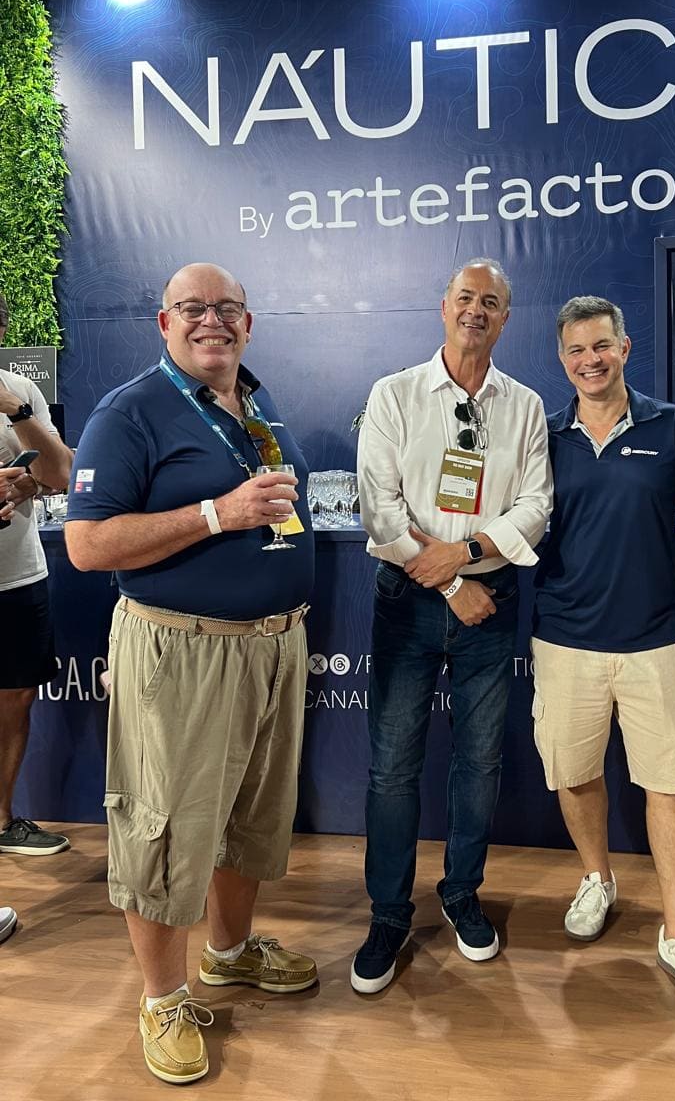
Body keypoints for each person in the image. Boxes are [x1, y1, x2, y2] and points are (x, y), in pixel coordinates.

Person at [65, 263, 317, 1085]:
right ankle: (162, 998)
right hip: (183, 650)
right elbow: (86, 545)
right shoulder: (129, 411)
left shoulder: (255, 401)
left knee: (247, 815)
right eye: (193, 308)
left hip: (273, 645)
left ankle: (230, 953)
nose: (213, 320)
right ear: (165, 324)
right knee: (165, 827)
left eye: (228, 308)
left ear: (249, 323)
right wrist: (218, 513)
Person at [352, 257, 551, 994]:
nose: (476, 310)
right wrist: (450, 582)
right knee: (392, 766)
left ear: (505, 318)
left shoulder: (525, 405)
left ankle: (462, 895)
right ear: (444, 307)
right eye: (465, 297)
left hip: (489, 606)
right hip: (409, 601)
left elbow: (536, 504)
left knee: (480, 763)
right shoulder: (395, 394)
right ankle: (388, 914)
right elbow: (379, 509)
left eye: (490, 302)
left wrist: (465, 561)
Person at [531, 295, 675, 1012]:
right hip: (563, 638)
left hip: (657, 640)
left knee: (672, 785)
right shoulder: (542, 434)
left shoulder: (672, 426)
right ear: (563, 359)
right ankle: (597, 878)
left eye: (602, 346)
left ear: (625, 348)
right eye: (577, 350)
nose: (590, 360)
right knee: (574, 772)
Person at [0, 291, 74, 856]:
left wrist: (16, 412)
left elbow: (61, 474)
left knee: (16, 696)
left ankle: (2, 822)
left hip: (19, 573)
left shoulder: (20, 390)